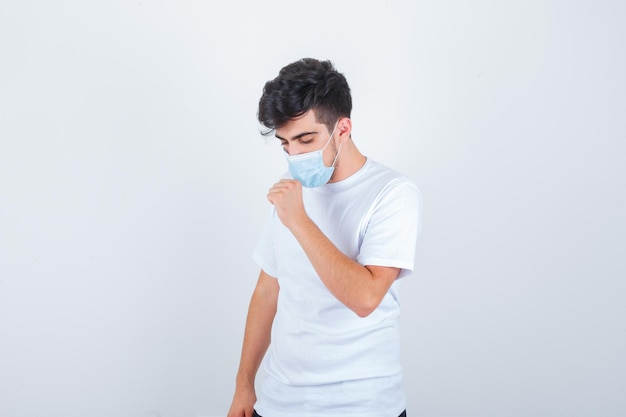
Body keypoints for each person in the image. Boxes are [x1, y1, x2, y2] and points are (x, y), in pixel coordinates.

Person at [227, 58, 422, 417]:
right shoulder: (292, 194)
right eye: (286, 144)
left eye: (306, 139)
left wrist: (299, 221)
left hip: (361, 407)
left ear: (343, 129)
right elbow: (268, 290)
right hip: (277, 403)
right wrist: (244, 385)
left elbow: (365, 298)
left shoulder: (392, 193)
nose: (295, 155)